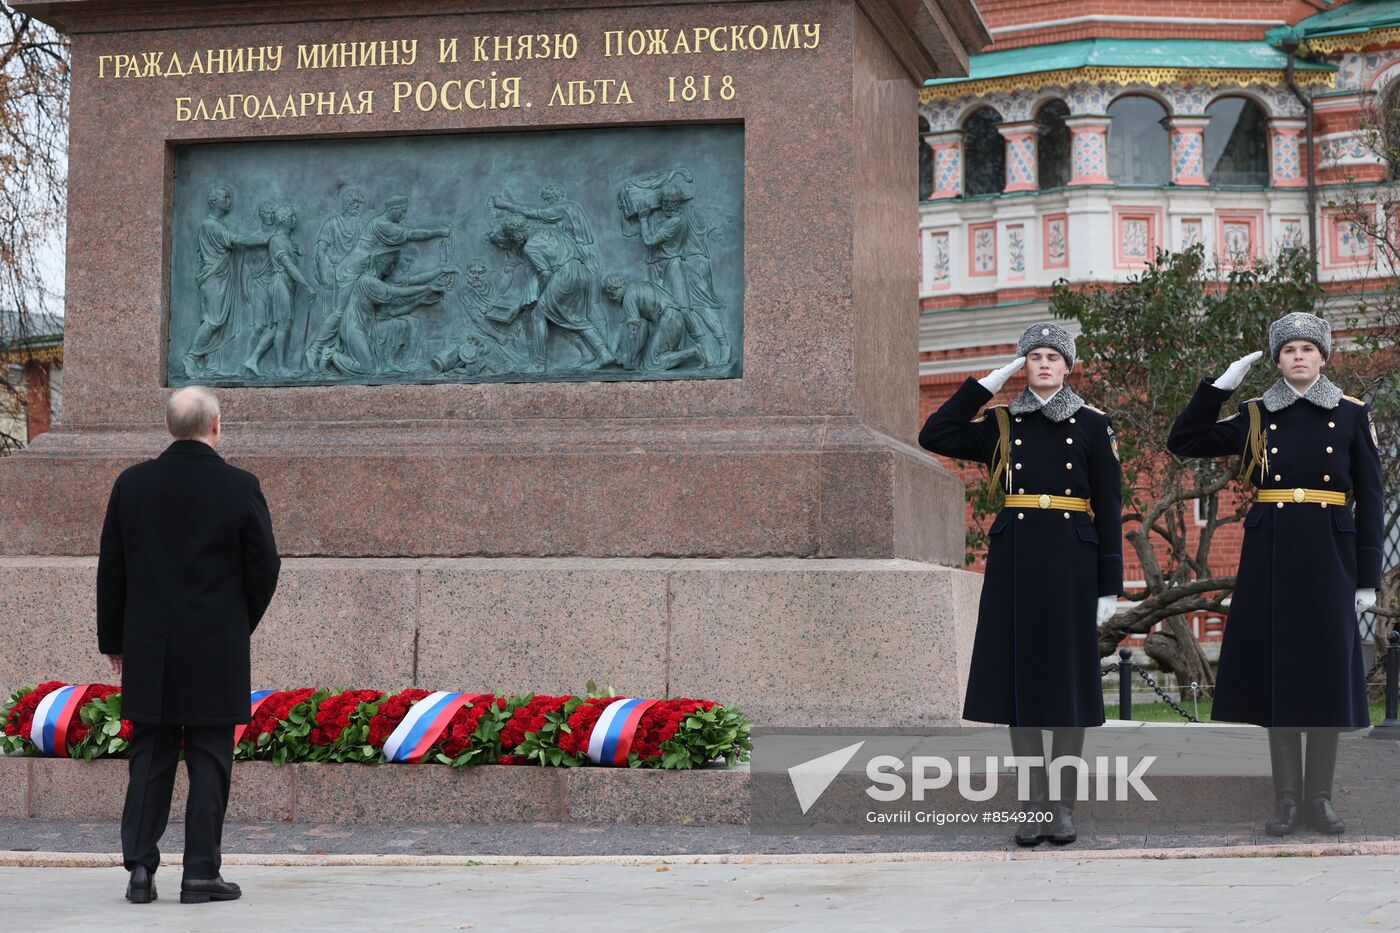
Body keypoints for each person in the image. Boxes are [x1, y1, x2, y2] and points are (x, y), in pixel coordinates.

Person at [1167, 311, 1381, 835]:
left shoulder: (1352, 414)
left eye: (1309, 348)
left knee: (1327, 676)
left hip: (1331, 550)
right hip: (1274, 553)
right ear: (1279, 359)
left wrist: (1367, 577)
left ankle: (1321, 800)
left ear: (1324, 358)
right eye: (1289, 350)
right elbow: (1186, 440)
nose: (1299, 356)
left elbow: (1372, 500)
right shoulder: (1256, 414)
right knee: (1281, 679)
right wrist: (1219, 387)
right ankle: (1286, 801)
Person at [919, 322, 1123, 847]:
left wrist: (1109, 586)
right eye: (1034, 357)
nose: (1045, 364)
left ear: (1068, 365)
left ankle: (1063, 807)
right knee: (1024, 689)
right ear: (1023, 366)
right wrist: (986, 384)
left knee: (1068, 689)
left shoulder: (1094, 425)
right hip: (1016, 562)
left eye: (1054, 356)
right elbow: (934, 433)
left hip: (1073, 564)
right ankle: (1032, 807)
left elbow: (1111, 507)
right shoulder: (1002, 423)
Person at [97, 387, 281, 905]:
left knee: (150, 755)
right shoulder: (239, 487)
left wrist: (115, 639)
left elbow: (113, 567)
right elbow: (265, 567)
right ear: (216, 426)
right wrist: (234, 623)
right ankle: (201, 873)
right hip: (214, 646)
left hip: (149, 646)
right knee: (209, 758)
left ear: (170, 427)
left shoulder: (131, 485)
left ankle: (139, 869)